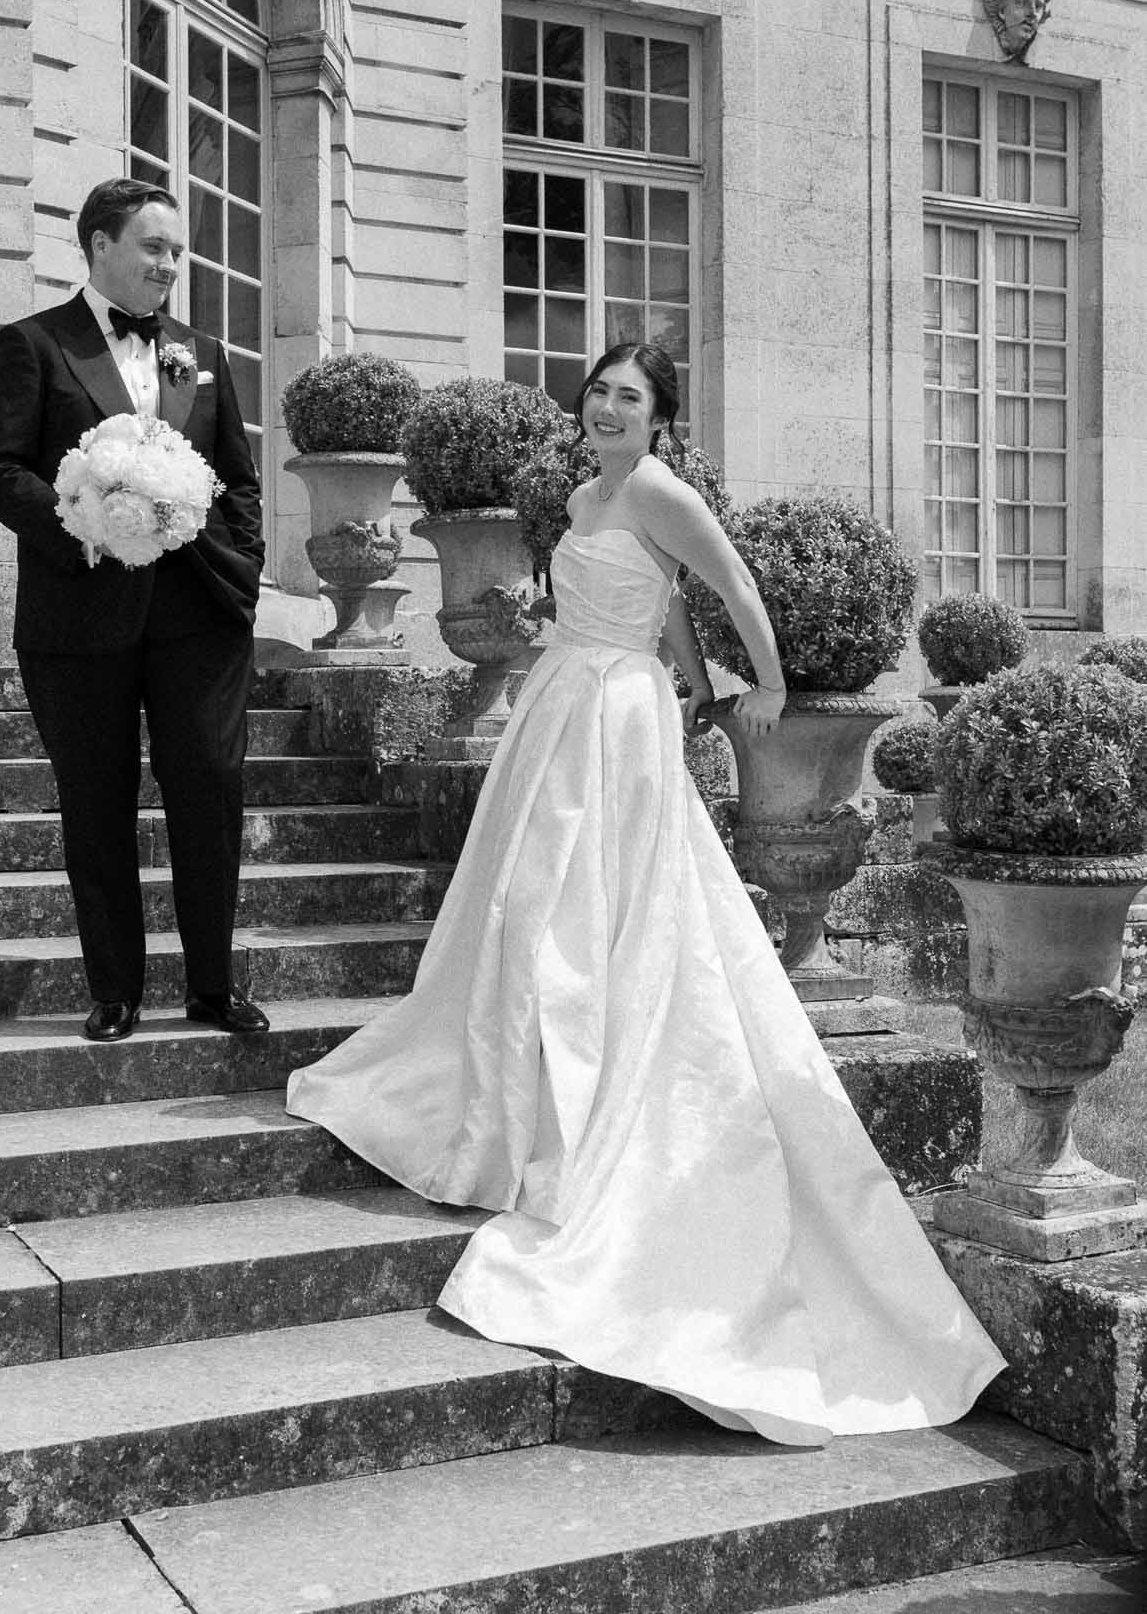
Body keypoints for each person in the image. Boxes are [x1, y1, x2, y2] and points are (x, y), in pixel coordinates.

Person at [287, 341, 1004, 1445]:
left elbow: (730, 582)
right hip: (562, 698)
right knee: (531, 901)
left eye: (631, 397)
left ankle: (596, 1068)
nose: (608, 407)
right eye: (600, 393)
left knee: (600, 898)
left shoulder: (661, 488)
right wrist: (692, 670)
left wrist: (759, 681)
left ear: (660, 419)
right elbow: (664, 601)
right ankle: (523, 1073)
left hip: (618, 712)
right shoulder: (583, 492)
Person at [0, 179, 268, 1043]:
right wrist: (82, 524)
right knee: (96, 801)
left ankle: (212, 987)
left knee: (209, 792)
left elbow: (237, 479)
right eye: (153, 247)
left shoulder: (199, 351)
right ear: (99, 245)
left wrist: (242, 569)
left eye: (176, 251)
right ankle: (115, 992)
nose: (170, 265)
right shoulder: (32, 344)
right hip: (79, 613)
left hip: (200, 613)